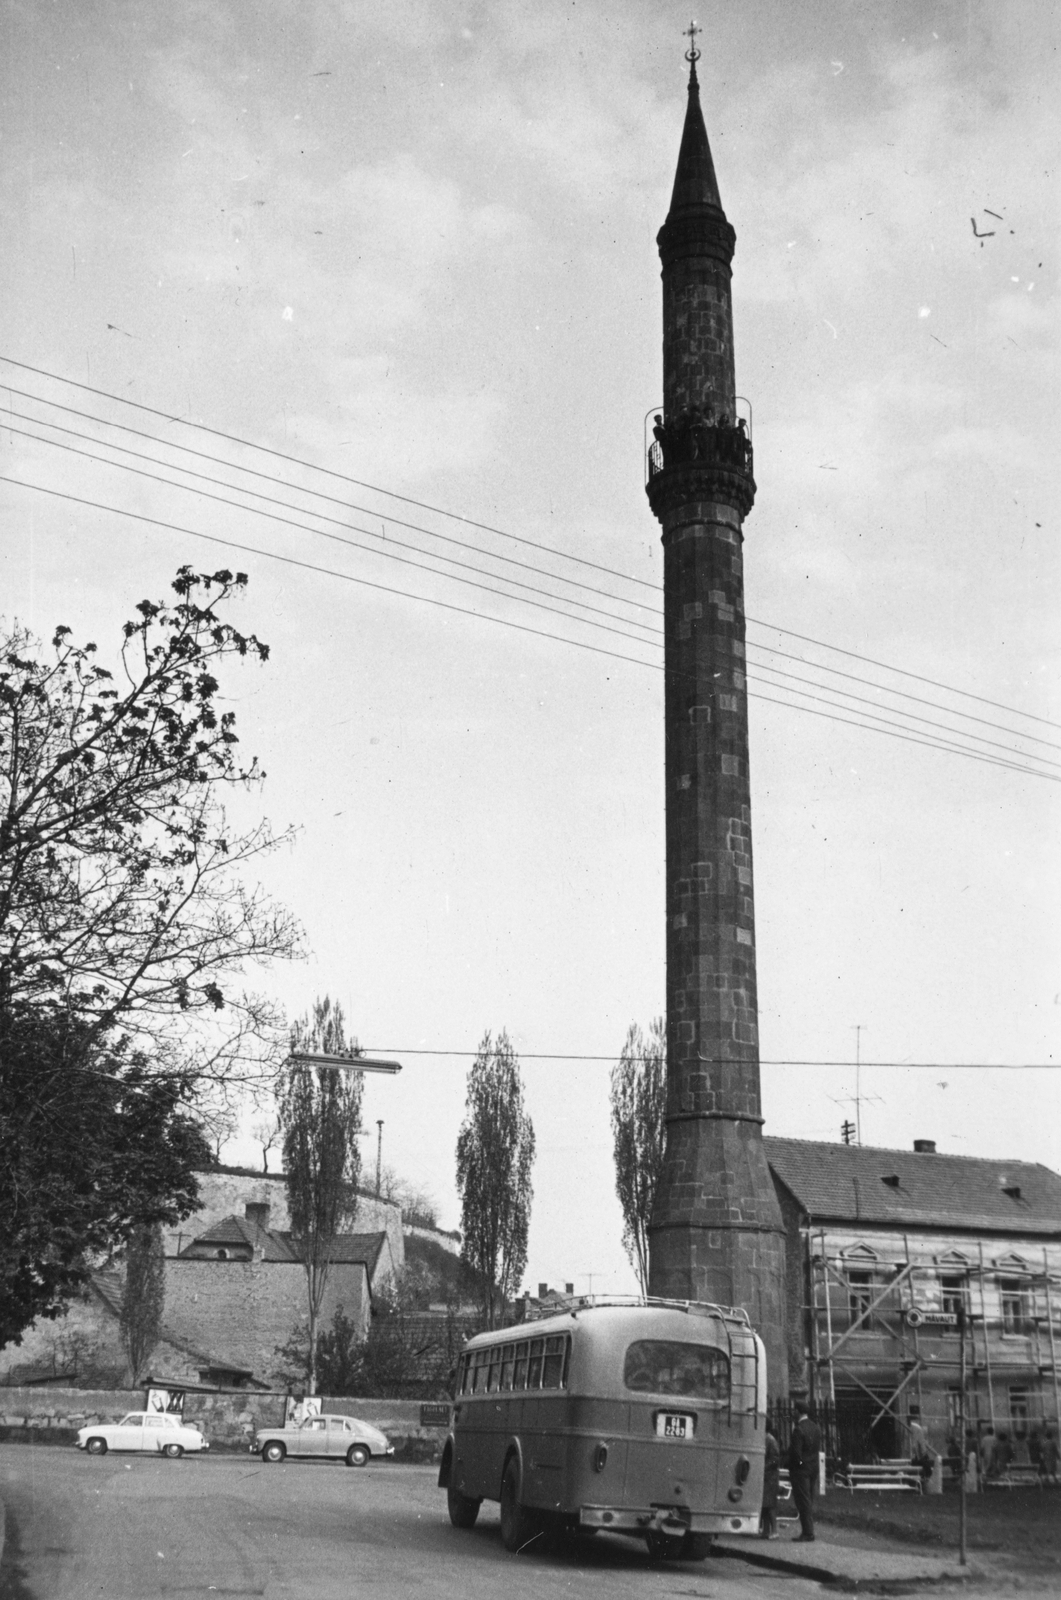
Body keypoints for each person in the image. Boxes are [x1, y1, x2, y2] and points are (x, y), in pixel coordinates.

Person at [787, 1402, 822, 1542]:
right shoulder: (816, 1428)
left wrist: (800, 1464)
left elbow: (796, 1454)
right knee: (809, 1499)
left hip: (802, 1471)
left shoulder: (798, 1429)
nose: (793, 1412)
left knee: (803, 1501)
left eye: (794, 1410)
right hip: (813, 1468)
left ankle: (808, 1532)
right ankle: (808, 1530)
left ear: (798, 1411)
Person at [760, 1429, 781, 1539]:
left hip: (770, 1477)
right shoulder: (766, 1438)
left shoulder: (770, 1440)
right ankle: (766, 1530)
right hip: (767, 1476)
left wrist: (763, 1467)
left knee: (770, 1505)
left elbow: (775, 1458)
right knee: (764, 1504)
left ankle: (774, 1530)